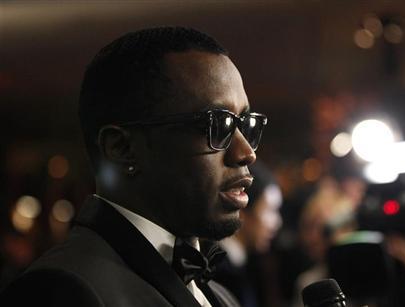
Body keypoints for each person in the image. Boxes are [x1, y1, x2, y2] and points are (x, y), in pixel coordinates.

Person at [0, 26, 268, 307]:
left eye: (245, 124)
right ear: (121, 149)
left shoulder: (222, 297)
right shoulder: (60, 290)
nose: (246, 153)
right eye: (218, 125)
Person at [214, 161, 283, 307]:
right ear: (241, 210)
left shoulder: (244, 266)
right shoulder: (217, 272)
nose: (277, 223)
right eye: (270, 210)